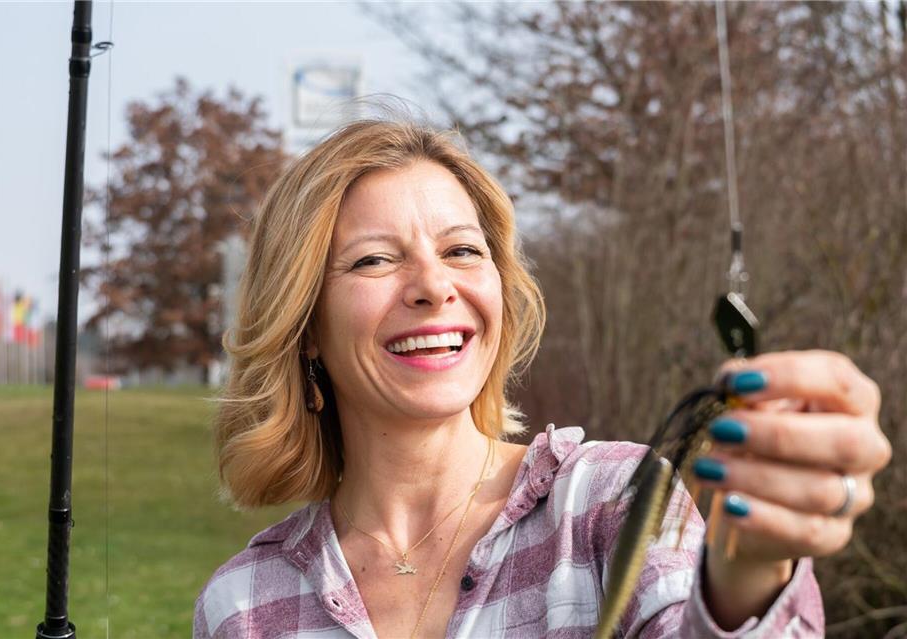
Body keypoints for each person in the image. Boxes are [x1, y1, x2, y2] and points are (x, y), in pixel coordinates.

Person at [193, 120, 891, 638]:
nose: (435, 286)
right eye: (375, 260)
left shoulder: (611, 501)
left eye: (462, 250)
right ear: (305, 321)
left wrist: (750, 569)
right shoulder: (245, 603)